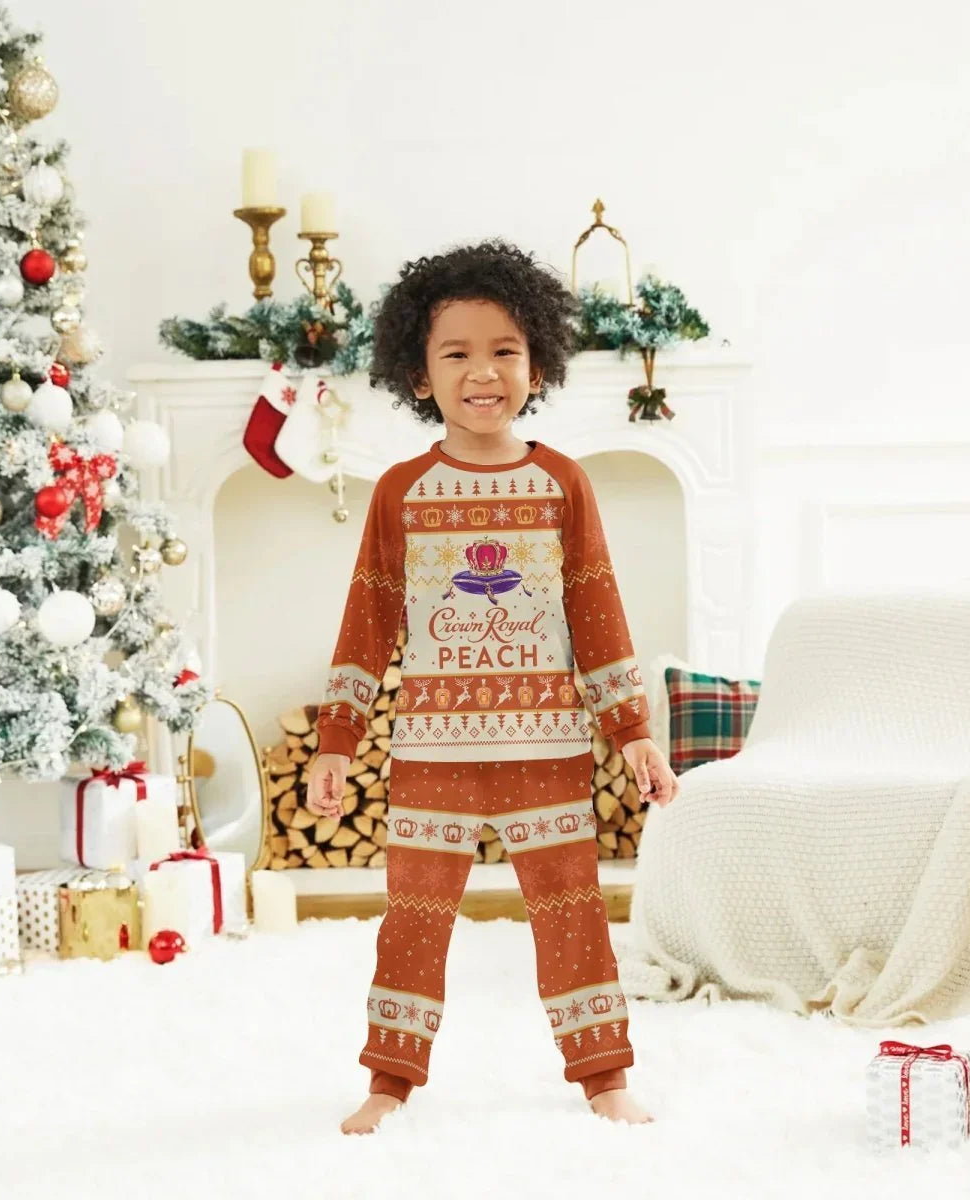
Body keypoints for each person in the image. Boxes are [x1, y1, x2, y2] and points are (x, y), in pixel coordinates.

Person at [306, 240, 680, 1135]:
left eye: (505, 350)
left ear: (537, 365)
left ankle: (605, 1077)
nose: (483, 372)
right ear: (419, 374)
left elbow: (596, 610)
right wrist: (336, 742)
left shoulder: (561, 484)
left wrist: (633, 730)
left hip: (547, 749)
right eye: (457, 353)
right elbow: (368, 620)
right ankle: (389, 1081)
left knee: (573, 915)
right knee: (412, 920)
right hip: (430, 756)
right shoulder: (400, 493)